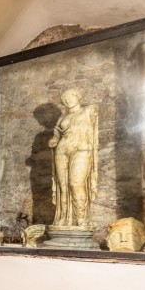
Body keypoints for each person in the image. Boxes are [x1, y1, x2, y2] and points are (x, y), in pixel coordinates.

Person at [48, 88, 98, 228]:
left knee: (76, 184)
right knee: (63, 187)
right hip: (61, 151)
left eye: (71, 96)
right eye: (64, 99)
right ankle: (63, 219)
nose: (68, 100)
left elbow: (94, 115)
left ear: (78, 96)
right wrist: (53, 140)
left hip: (81, 150)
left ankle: (81, 219)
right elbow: (57, 135)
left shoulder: (88, 110)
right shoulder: (62, 118)